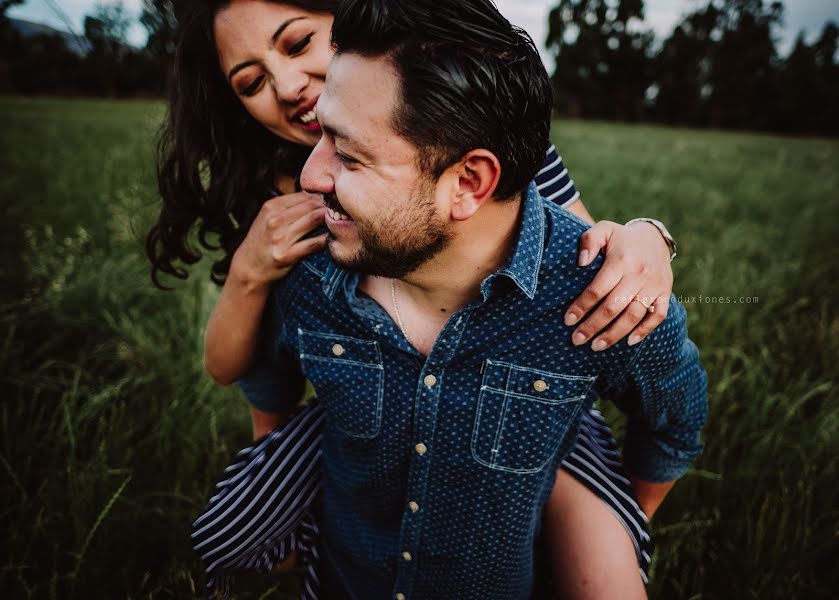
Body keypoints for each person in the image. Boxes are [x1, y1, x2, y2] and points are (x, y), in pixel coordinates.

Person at [146, 0, 683, 597]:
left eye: (298, 44)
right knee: (259, 533)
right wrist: (249, 269)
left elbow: (574, 260)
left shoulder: (464, 130)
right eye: (251, 82)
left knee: (599, 571)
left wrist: (648, 236)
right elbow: (243, 368)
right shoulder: (272, 195)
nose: (288, 85)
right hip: (362, 382)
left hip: (516, 383)